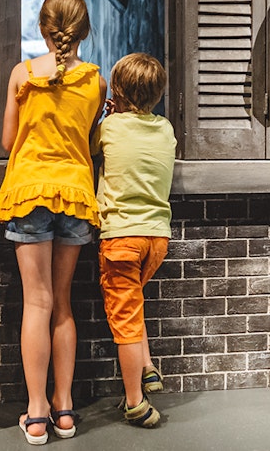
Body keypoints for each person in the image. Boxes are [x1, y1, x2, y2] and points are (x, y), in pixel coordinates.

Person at [0, 0, 107, 445]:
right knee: (63, 303)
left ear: (44, 28)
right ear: (83, 32)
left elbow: (6, 142)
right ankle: (64, 410)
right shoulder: (96, 82)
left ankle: (36, 413)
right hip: (77, 194)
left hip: (29, 192)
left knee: (35, 304)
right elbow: (89, 140)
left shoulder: (23, 74)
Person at [92, 53, 176, 428]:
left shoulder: (109, 129)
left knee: (124, 320)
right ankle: (147, 367)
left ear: (118, 93)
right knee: (134, 303)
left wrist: (105, 115)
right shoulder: (166, 129)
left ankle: (134, 403)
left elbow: (91, 146)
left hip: (121, 238)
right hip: (157, 239)